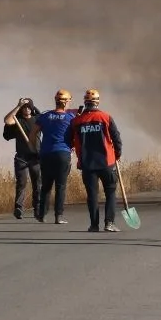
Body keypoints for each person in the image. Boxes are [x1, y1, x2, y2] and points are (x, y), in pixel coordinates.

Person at [66, 88, 124, 233]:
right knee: (110, 192)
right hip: (106, 162)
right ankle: (109, 223)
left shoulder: (76, 121)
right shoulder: (106, 117)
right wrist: (117, 154)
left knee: (92, 195)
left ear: (85, 102)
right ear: (97, 102)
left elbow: (68, 140)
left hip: (87, 164)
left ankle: (94, 225)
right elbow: (116, 139)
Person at [28, 89, 78, 224]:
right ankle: (59, 216)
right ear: (66, 102)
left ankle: (42, 214)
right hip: (63, 153)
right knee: (60, 186)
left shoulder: (44, 116)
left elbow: (32, 134)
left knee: (46, 185)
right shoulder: (71, 118)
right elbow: (76, 135)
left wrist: (35, 149)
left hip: (46, 153)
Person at [2, 97, 42, 219]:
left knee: (37, 184)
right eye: (24, 107)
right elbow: (7, 121)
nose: (27, 109)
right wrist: (18, 106)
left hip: (36, 157)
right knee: (21, 183)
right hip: (21, 158)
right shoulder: (17, 120)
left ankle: (38, 208)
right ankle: (19, 208)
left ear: (32, 108)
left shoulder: (37, 120)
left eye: (28, 107)